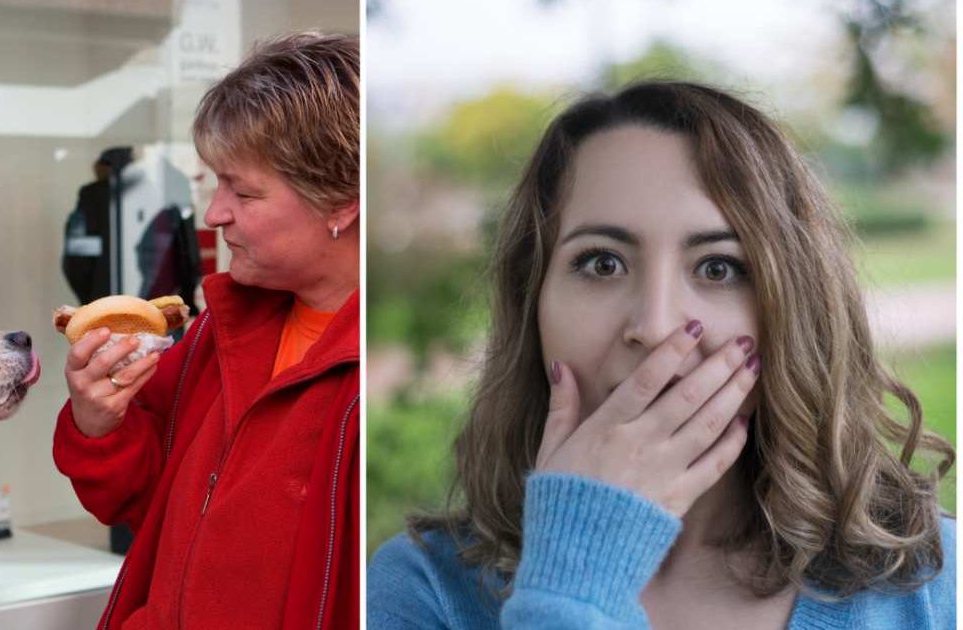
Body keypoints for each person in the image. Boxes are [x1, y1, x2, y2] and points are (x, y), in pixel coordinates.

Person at [367, 81, 955, 629]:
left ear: (796, 306)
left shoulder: (934, 581)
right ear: (533, 301)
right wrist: (572, 586)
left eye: (719, 268)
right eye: (602, 263)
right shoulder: (420, 591)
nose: (655, 326)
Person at [55, 32, 359, 630]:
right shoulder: (213, 335)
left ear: (342, 204)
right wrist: (99, 422)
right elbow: (137, 504)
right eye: (216, 183)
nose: (215, 212)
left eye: (242, 190)